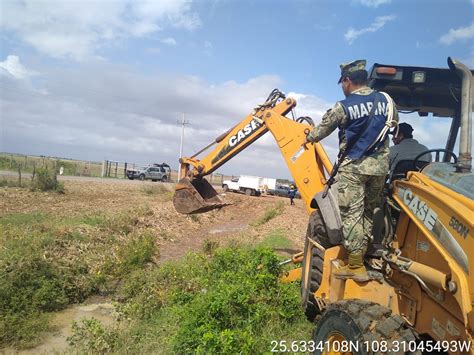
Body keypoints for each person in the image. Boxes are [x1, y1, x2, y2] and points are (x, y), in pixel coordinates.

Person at [305, 59, 398, 281]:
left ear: (348, 80)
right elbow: (394, 124)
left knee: (352, 214)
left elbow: (319, 133)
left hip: (354, 168)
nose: (342, 88)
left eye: (342, 83)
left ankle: (355, 265)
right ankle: (364, 254)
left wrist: (308, 136)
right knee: (369, 211)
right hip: (379, 168)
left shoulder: (343, 106)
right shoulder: (387, 100)